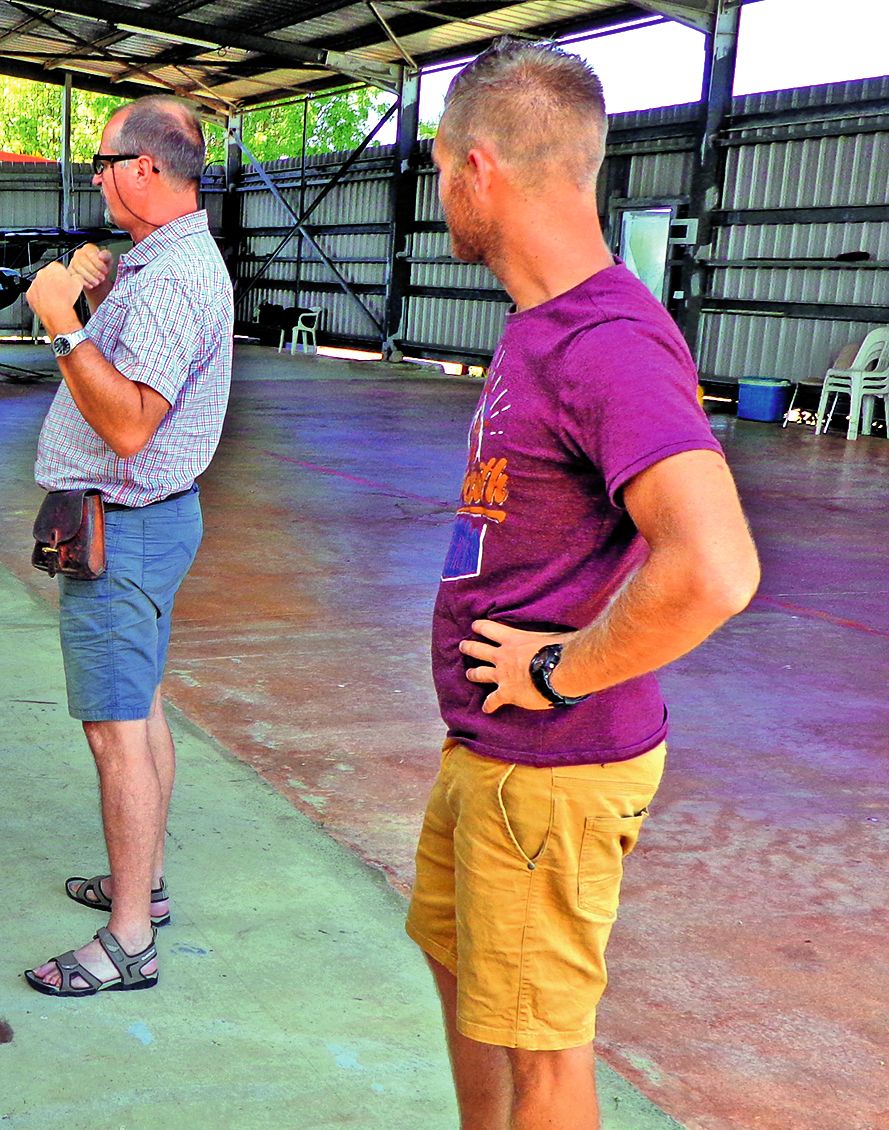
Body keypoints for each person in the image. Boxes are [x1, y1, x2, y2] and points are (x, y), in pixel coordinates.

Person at [406, 39, 760, 1129]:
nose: (439, 197)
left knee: (545, 1054)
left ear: (476, 168)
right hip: (492, 751)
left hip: (549, 768)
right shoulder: (537, 326)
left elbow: (715, 566)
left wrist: (558, 668)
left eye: (438, 173)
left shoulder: (604, 341)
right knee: (464, 976)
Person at [19, 95, 234, 996]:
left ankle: (129, 940)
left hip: (127, 526)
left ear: (146, 169)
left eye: (105, 162)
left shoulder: (176, 276)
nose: (98, 177)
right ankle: (141, 884)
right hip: (140, 525)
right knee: (139, 709)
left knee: (115, 732)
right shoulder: (161, 266)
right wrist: (102, 302)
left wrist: (62, 321)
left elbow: (131, 426)